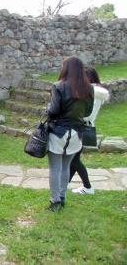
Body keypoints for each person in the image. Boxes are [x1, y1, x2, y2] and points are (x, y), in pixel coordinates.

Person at [46, 56, 94, 211]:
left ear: (66, 68)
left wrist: (49, 102)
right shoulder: (88, 88)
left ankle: (55, 202)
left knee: (55, 167)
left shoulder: (59, 86)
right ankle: (62, 197)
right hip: (76, 133)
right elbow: (88, 111)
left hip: (59, 132)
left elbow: (53, 111)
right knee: (66, 166)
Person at [69, 66, 110, 195]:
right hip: (85, 126)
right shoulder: (96, 92)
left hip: (80, 126)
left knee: (74, 159)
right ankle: (65, 183)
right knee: (74, 158)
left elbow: (86, 113)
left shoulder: (91, 93)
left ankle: (87, 187)